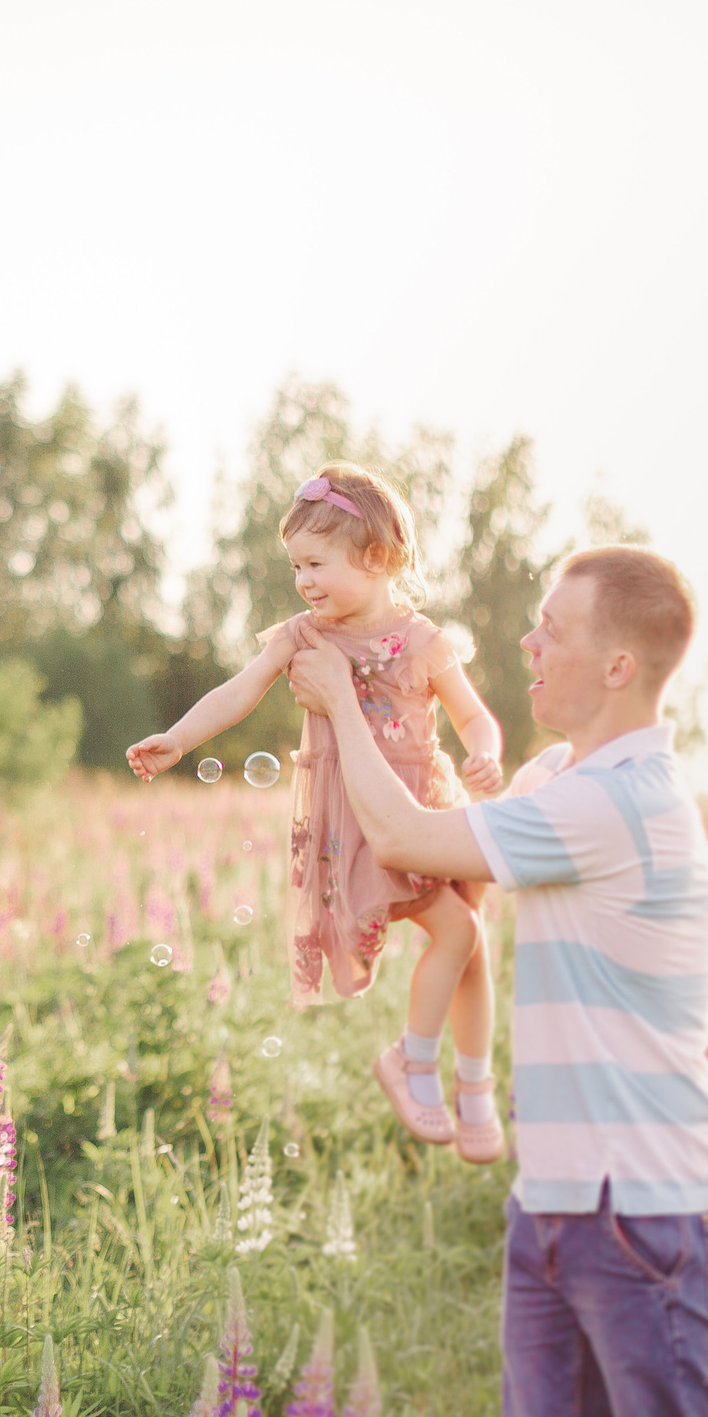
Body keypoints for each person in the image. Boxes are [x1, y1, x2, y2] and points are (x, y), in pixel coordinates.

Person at [284, 545, 708, 1417]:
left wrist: (342, 705)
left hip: (645, 1216)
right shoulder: (561, 781)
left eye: (551, 629)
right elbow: (443, 844)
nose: (525, 641)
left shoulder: (622, 801)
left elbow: (408, 834)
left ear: (615, 665)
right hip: (558, 1207)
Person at [126, 462, 508, 1163]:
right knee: (458, 932)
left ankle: (471, 1081)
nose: (303, 580)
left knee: (471, 943)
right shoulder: (304, 637)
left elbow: (473, 715)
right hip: (363, 825)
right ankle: (414, 1061)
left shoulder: (422, 640)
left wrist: (485, 751)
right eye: (296, 565)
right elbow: (238, 691)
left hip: (426, 807)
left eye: (316, 563)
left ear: (378, 558)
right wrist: (178, 738)